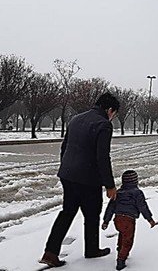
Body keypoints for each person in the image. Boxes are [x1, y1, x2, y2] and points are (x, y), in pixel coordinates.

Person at [39, 93, 120, 268]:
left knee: (67, 212)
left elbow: (64, 147)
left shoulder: (76, 119)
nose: (113, 117)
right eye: (114, 114)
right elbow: (102, 157)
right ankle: (92, 250)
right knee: (92, 215)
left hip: (68, 175)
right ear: (110, 110)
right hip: (88, 179)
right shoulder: (103, 125)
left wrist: (67, 169)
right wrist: (110, 185)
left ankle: (50, 252)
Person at [102, 170, 157, 270]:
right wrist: (149, 219)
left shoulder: (118, 193)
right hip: (128, 220)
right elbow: (142, 207)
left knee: (122, 235)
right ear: (135, 181)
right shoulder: (137, 193)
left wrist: (106, 221)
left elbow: (110, 207)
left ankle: (120, 250)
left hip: (117, 219)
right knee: (128, 240)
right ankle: (121, 260)